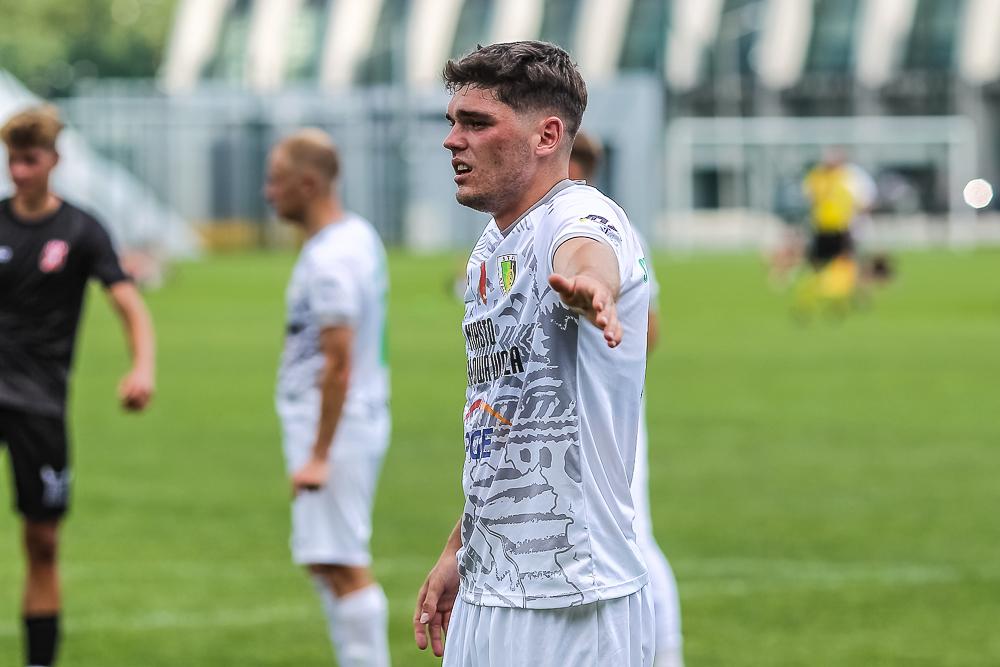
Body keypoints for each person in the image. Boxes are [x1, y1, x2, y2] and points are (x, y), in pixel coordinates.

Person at [414, 41, 653, 666]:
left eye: (477, 123)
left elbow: (586, 250)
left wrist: (591, 286)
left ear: (547, 135)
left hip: (573, 599)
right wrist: (460, 546)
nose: (452, 141)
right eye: (453, 122)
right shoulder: (492, 246)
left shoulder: (580, 212)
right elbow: (505, 424)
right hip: (488, 587)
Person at [0, 105, 155, 667]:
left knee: (43, 543)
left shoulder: (81, 230)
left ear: (54, 160)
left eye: (30, 160)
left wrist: (142, 367)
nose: (19, 172)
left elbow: (129, 304)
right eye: (12, 160)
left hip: (40, 405)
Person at [265, 129, 391, 667]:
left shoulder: (331, 259)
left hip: (336, 428)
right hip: (345, 421)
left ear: (309, 184)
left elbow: (338, 361)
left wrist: (319, 453)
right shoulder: (354, 236)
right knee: (326, 561)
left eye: (276, 180)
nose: (268, 192)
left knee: (341, 563)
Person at [570, 133, 685, 667]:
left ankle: (664, 653)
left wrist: (611, 383)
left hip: (604, 420)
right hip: (539, 425)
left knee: (631, 536)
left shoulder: (611, 230)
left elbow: (649, 327)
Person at [801, 147, 876, 269]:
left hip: (844, 224)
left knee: (844, 257)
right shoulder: (819, 175)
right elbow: (810, 195)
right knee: (819, 258)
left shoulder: (851, 176)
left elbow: (865, 198)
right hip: (822, 224)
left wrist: (857, 215)